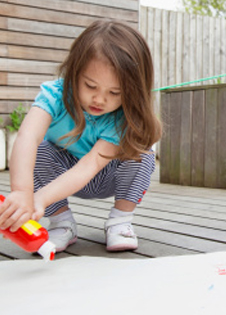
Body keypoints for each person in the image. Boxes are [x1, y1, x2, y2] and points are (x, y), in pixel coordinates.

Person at [0, 20, 162, 252]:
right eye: (90, 86)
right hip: (62, 174)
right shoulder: (55, 96)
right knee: (42, 150)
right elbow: (27, 136)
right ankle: (62, 223)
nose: (99, 100)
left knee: (141, 154)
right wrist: (22, 192)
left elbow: (90, 165)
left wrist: (38, 200)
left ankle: (120, 222)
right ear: (74, 72)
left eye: (114, 92)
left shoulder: (124, 117)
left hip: (106, 174)